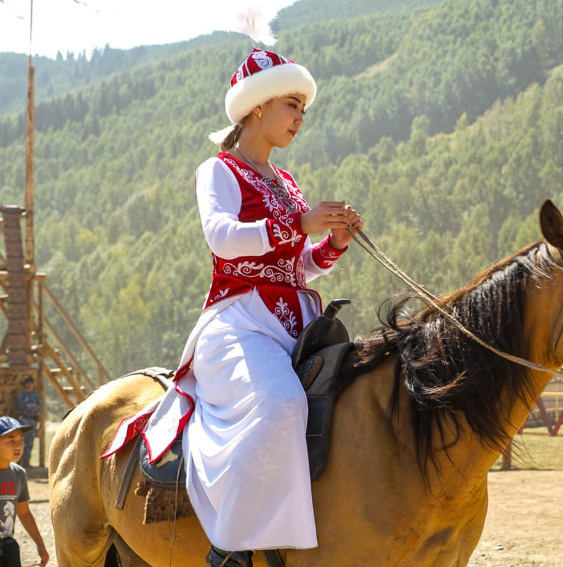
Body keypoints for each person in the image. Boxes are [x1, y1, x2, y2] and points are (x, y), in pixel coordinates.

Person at [99, 36, 364, 567]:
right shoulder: (218, 170)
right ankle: (229, 549)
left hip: (298, 321)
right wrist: (299, 223)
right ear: (257, 106)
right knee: (281, 404)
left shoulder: (286, 181)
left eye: (304, 110)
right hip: (238, 324)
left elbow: (295, 265)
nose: (300, 118)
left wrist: (330, 245)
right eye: (293, 106)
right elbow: (222, 238)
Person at [0, 416, 49, 567]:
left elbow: (24, 512)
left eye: (21, 440)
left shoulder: (18, 474)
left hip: (8, 544)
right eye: (11, 440)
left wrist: (40, 545)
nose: (18, 445)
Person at [14, 377, 41, 468]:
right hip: (24, 420)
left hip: (32, 421)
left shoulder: (35, 396)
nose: (29, 385)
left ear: (34, 384)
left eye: (31, 383)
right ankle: (19, 462)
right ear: (25, 384)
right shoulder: (21, 394)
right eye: (27, 383)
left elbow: (39, 407)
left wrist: (32, 407)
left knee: (30, 442)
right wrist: (32, 406)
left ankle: (27, 462)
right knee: (22, 441)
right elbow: (23, 406)